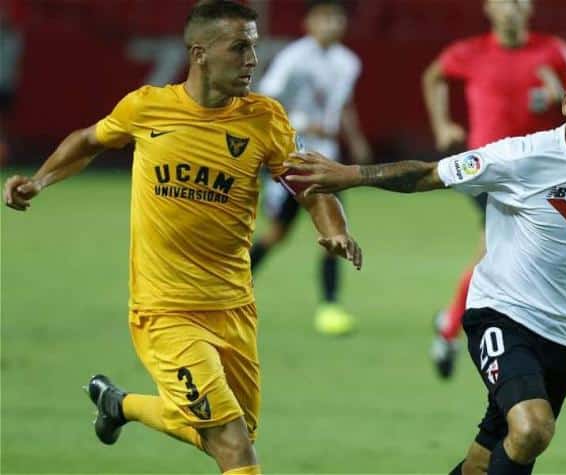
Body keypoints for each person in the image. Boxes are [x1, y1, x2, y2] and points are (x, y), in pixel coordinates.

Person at [285, 44, 566, 475]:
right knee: (533, 429)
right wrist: (352, 174)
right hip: (502, 315)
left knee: (484, 460)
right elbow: (428, 173)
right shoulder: (521, 158)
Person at [2, 1, 361, 474]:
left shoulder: (265, 119)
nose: (252, 59)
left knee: (228, 433)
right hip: (164, 308)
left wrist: (334, 229)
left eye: (253, 47)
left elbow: (309, 187)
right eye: (240, 48)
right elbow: (89, 140)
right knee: (234, 446)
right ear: (200, 53)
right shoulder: (147, 107)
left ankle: (119, 405)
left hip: (233, 306)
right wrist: (39, 181)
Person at [422, 0, 566, 380]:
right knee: (494, 252)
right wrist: (442, 125)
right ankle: (450, 331)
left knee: (510, 256)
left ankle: (452, 322)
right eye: (502, 1)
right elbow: (433, 76)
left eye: (519, 0)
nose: (511, 8)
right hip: (488, 172)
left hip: (537, 174)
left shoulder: (553, 51)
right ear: (489, 8)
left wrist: (561, 96)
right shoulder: (470, 52)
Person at [250, 0, 371, 336]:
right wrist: (303, 123)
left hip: (326, 162)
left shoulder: (349, 62)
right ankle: (229, 290)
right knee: (276, 234)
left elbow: (342, 102)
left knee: (335, 233)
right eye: (325, 17)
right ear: (309, 22)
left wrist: (355, 137)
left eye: (338, 18)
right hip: (291, 159)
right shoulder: (294, 58)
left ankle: (330, 307)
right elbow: (267, 100)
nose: (332, 24)